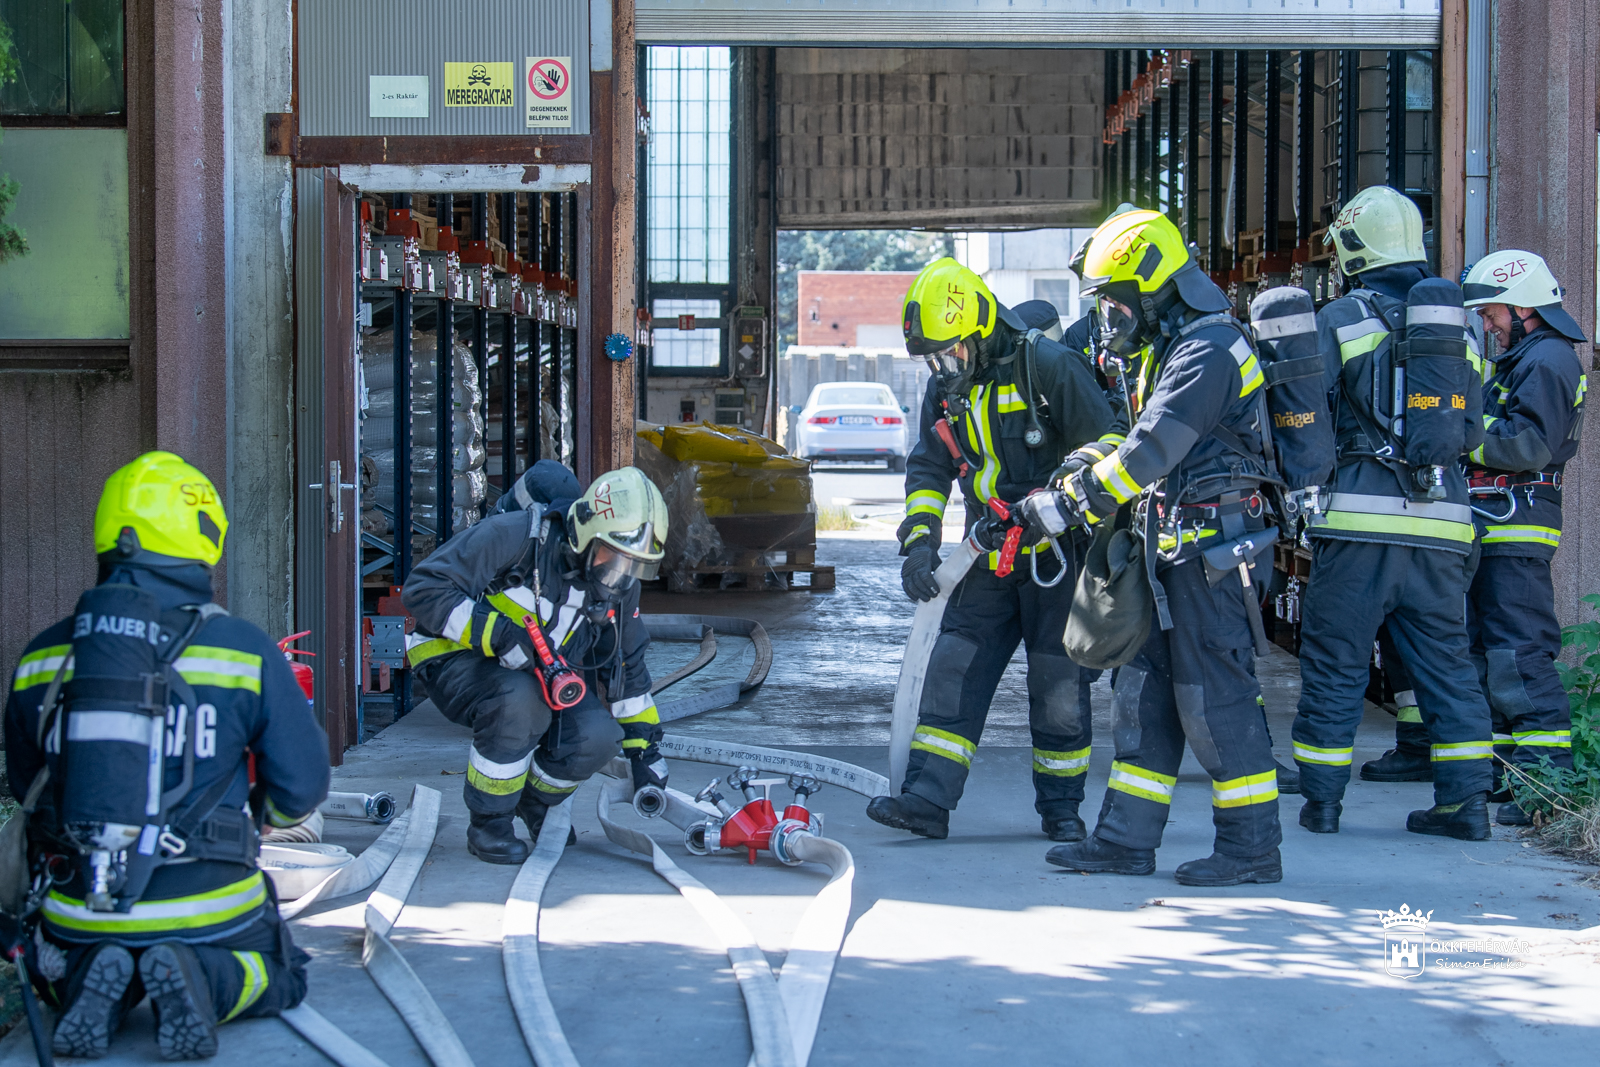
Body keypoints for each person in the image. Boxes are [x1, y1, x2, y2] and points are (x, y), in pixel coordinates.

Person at [5, 452, 330, 1059]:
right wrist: (263, 822)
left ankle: (95, 973)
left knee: (63, 963)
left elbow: (31, 791)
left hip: (78, 906)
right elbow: (303, 788)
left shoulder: (41, 657)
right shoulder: (243, 651)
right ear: (203, 535)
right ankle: (201, 975)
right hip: (211, 904)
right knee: (282, 975)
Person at [1017, 209, 1286, 887]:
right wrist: (1077, 471)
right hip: (1172, 551)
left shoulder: (1210, 350)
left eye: (1115, 301)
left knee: (1214, 698)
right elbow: (1129, 439)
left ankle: (1252, 848)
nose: (1108, 317)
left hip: (1214, 557)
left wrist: (1073, 503)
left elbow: (1153, 449)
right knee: (1143, 696)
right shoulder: (1171, 350)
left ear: (1153, 288)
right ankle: (1123, 840)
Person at [866, 258, 1117, 842]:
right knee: (953, 667)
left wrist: (1062, 501)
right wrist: (919, 543)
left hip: (1057, 552)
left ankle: (1061, 810)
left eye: (947, 352)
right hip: (984, 553)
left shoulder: (1050, 367)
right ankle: (927, 800)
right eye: (931, 357)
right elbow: (929, 467)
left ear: (978, 331)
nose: (939, 367)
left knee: (1059, 687)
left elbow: (1107, 443)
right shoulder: (947, 387)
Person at [1289, 185, 1494, 841]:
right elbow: (1472, 427)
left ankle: (1322, 803)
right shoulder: (1455, 332)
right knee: (1449, 669)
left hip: (1357, 525)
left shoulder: (1343, 316)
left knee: (1335, 664)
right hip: (1442, 528)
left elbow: (1307, 412)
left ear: (1353, 247)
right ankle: (1466, 807)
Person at [403, 466, 671, 864]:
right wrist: (497, 634)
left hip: (541, 670)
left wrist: (644, 753)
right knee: (520, 701)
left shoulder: (619, 589)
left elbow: (629, 670)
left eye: (632, 565)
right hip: (453, 657)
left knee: (598, 736)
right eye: (611, 557)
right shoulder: (514, 537)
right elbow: (423, 589)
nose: (618, 575)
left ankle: (534, 803)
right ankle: (489, 825)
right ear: (583, 531)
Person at [1459, 250, 1588, 824]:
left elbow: (1528, 447)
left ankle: (1546, 787)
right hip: (1498, 524)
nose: (1487, 325)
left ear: (1523, 306)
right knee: (1492, 654)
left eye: (1491, 313)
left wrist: (1461, 426)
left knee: (1518, 653)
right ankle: (1511, 780)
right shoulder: (1526, 359)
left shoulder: (1550, 361)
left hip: (1518, 523)